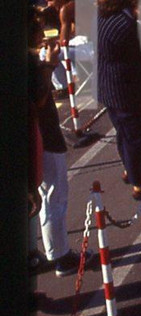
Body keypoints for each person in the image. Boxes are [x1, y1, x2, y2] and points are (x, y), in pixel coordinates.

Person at [95, 0, 141, 197]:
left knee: (123, 134)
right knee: (136, 138)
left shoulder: (107, 16)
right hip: (127, 90)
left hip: (108, 86)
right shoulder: (128, 27)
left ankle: (131, 171)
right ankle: (139, 185)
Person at [28, 16, 78, 273]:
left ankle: (45, 252)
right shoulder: (32, 66)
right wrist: (47, 65)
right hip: (43, 136)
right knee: (54, 197)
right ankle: (60, 255)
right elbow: (39, 97)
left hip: (37, 137)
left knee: (44, 198)